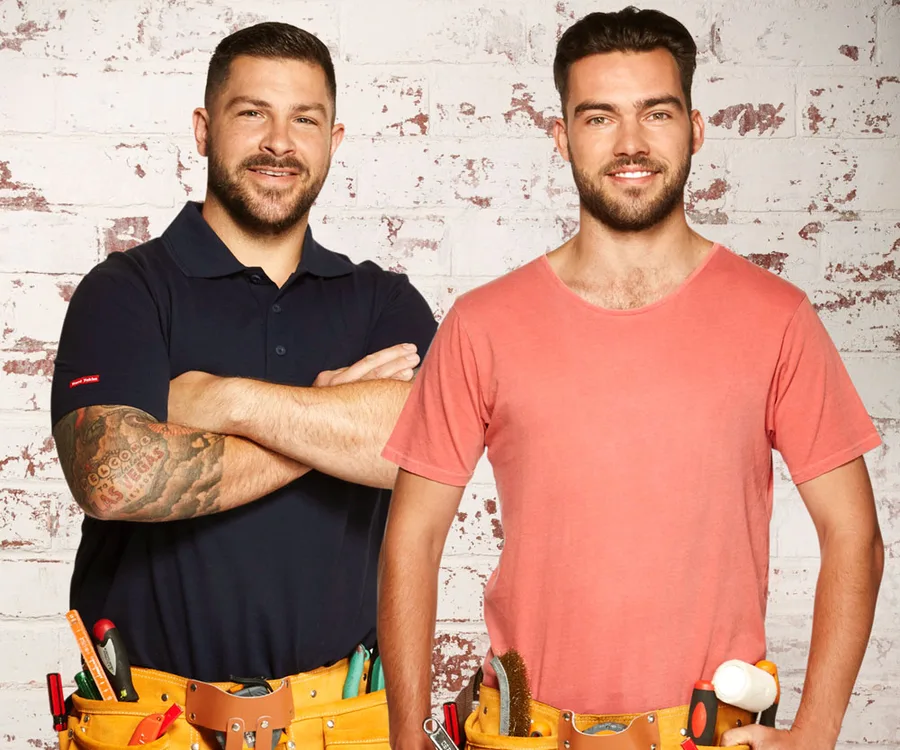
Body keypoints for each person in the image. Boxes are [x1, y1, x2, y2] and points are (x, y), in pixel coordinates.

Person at [377, 7, 883, 750]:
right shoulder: (483, 323)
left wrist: (815, 734)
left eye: (656, 112)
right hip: (527, 735)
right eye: (599, 118)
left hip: (707, 737)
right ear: (562, 137)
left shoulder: (777, 317)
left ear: (696, 128)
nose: (632, 143)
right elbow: (412, 541)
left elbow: (855, 535)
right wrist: (405, 739)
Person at [50, 21, 436, 750]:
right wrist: (336, 419)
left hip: (343, 725)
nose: (279, 144)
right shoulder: (126, 292)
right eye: (252, 113)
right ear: (203, 128)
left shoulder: (385, 303)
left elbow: (423, 454)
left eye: (305, 120)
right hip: (152, 726)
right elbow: (115, 478)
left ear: (334, 139)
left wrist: (224, 400)